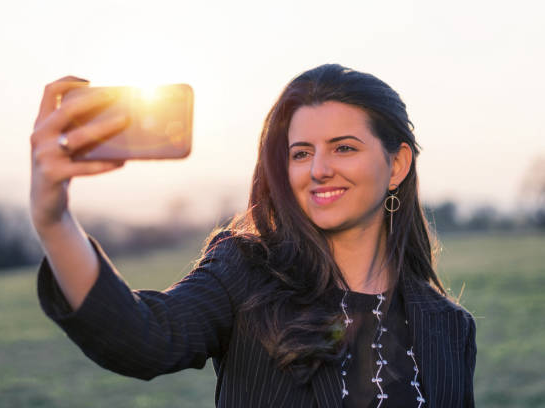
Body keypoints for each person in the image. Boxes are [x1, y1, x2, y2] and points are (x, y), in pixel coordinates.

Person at [30, 64, 477, 408]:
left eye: (344, 147)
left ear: (397, 165)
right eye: (301, 153)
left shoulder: (450, 326)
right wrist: (54, 221)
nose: (319, 169)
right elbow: (143, 337)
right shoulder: (246, 273)